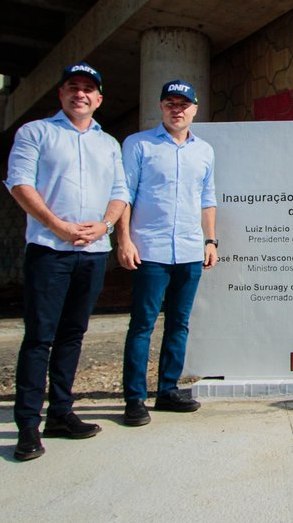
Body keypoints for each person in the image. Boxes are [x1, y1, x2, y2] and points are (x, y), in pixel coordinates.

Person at [4, 62, 128, 461]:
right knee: (40, 337)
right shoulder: (36, 132)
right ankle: (27, 426)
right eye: (73, 87)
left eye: (89, 89)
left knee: (73, 335)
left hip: (92, 252)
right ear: (61, 94)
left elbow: (121, 192)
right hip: (49, 250)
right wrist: (57, 225)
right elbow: (19, 184)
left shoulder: (108, 143)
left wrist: (105, 225)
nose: (81, 94)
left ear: (99, 98)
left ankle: (60, 413)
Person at [116, 80, 217, 427]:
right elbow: (123, 195)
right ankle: (134, 398)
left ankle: (168, 390)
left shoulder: (204, 151)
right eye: (171, 103)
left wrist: (211, 240)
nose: (178, 109)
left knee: (179, 324)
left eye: (184, 104)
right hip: (150, 250)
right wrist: (124, 240)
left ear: (195, 109)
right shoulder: (138, 144)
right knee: (142, 325)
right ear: (161, 107)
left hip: (190, 249)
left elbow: (207, 198)